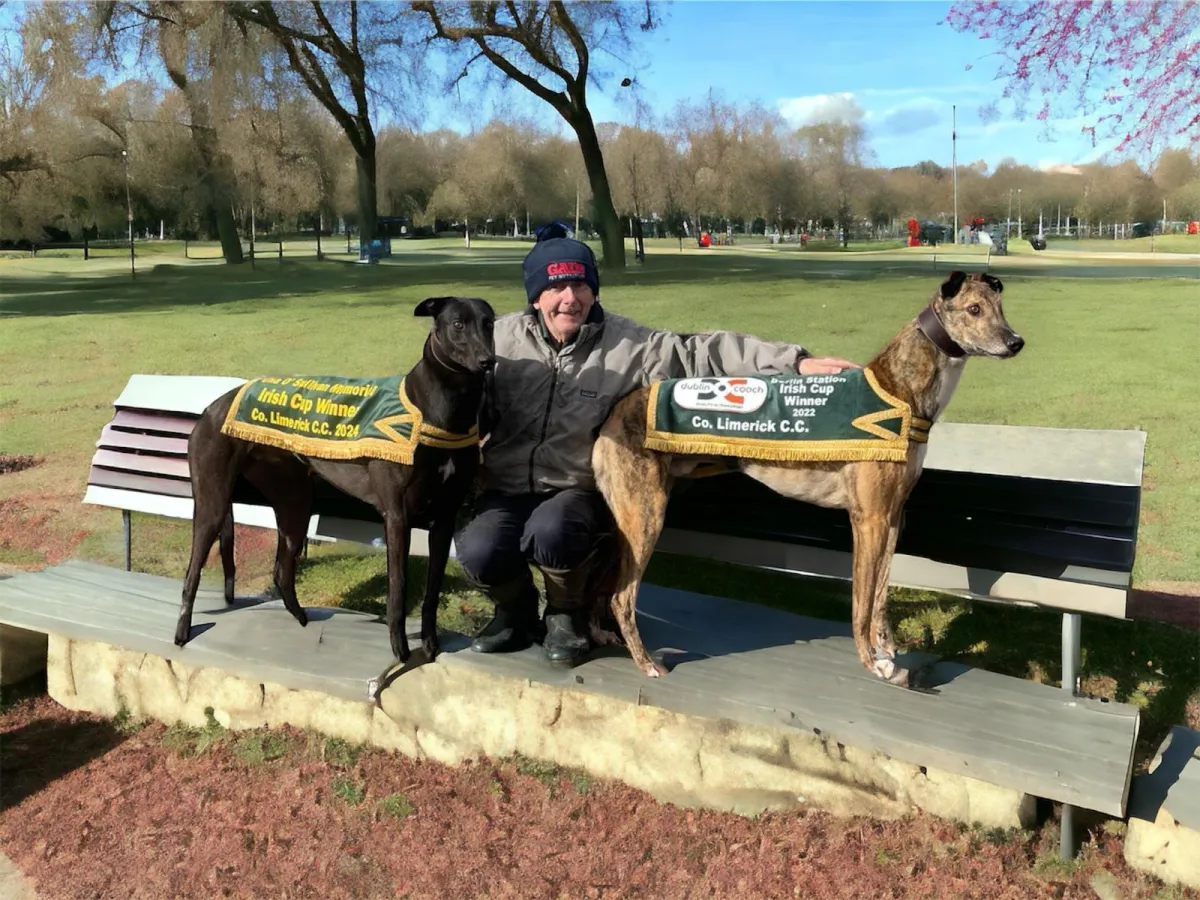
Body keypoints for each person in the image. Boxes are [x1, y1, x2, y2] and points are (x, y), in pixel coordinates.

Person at [454, 232, 858, 665]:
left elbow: (702, 352)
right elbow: (439, 375)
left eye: (581, 285)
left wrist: (795, 362)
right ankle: (515, 614)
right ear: (536, 296)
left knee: (553, 531)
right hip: (506, 485)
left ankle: (565, 615)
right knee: (478, 548)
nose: (569, 298)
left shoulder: (631, 345)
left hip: (576, 492)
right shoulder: (498, 339)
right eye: (555, 287)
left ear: (593, 289)